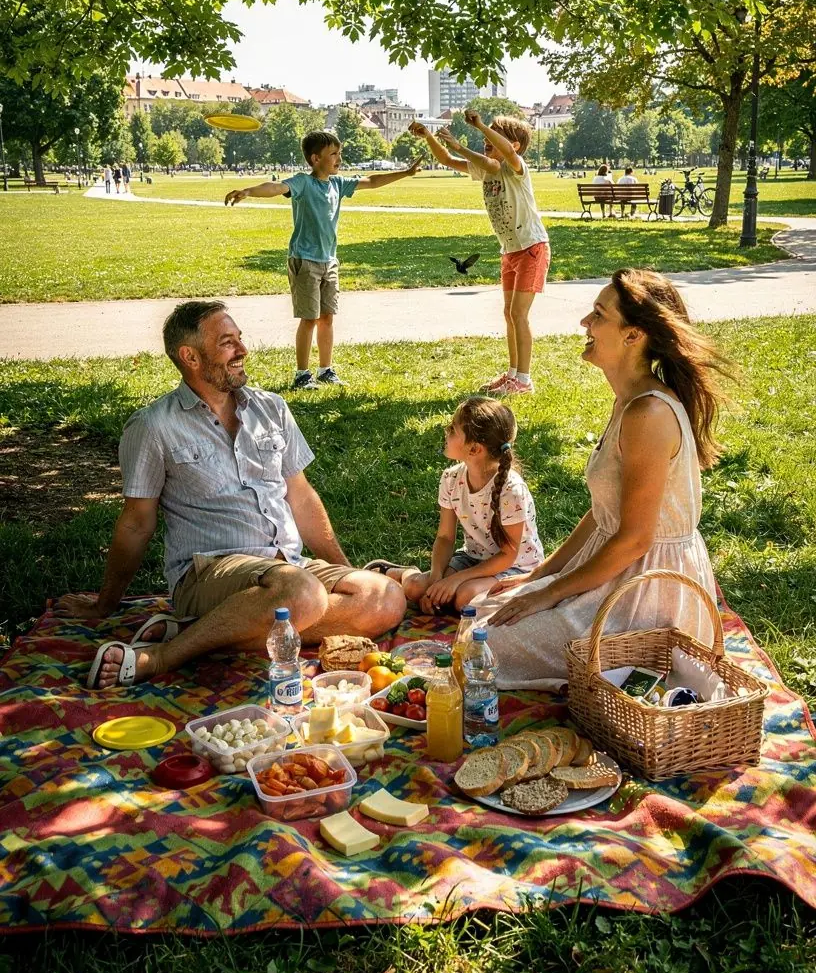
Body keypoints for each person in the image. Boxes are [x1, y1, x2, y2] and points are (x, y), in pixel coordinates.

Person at [54, 300, 406, 688]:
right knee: (302, 593)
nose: (242, 350)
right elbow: (137, 524)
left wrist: (347, 573)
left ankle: (200, 634)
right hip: (209, 570)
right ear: (189, 356)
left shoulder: (271, 408)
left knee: (385, 597)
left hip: (285, 566)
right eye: (227, 342)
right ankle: (159, 657)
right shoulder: (154, 427)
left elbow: (301, 497)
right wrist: (105, 605)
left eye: (239, 338)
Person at [473, 268, 730, 689]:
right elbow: (602, 515)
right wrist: (540, 577)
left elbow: (633, 540)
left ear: (634, 335)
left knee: (487, 646)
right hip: (615, 570)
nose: (585, 324)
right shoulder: (628, 402)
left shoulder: (649, 414)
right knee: (486, 611)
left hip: (647, 591)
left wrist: (550, 593)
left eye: (598, 315)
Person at [225, 131, 422, 389]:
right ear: (315, 158)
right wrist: (248, 191)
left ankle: (325, 370)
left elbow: (372, 181)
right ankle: (302, 374)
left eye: (339, 153)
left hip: (329, 261)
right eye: (333, 154)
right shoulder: (303, 183)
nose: (339, 158)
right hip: (305, 260)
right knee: (309, 319)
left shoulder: (338, 184)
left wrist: (406, 172)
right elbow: (275, 187)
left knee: (327, 317)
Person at [410, 110, 549, 395]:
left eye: (493, 134)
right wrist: (428, 137)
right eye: (485, 134)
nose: (486, 138)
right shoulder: (485, 168)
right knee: (509, 314)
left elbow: (502, 155)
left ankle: (523, 379)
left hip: (532, 247)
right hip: (510, 250)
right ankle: (512, 374)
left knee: (518, 314)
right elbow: (448, 160)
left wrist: (478, 129)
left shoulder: (516, 167)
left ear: (516, 145)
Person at [370, 398, 544, 614]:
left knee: (465, 599)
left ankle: (456, 591)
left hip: (514, 568)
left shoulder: (511, 490)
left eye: (453, 429)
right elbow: (445, 537)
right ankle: (402, 573)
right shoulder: (451, 479)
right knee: (417, 588)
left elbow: (508, 554)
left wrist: (456, 580)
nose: (446, 431)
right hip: (472, 558)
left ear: (474, 449)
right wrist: (435, 580)